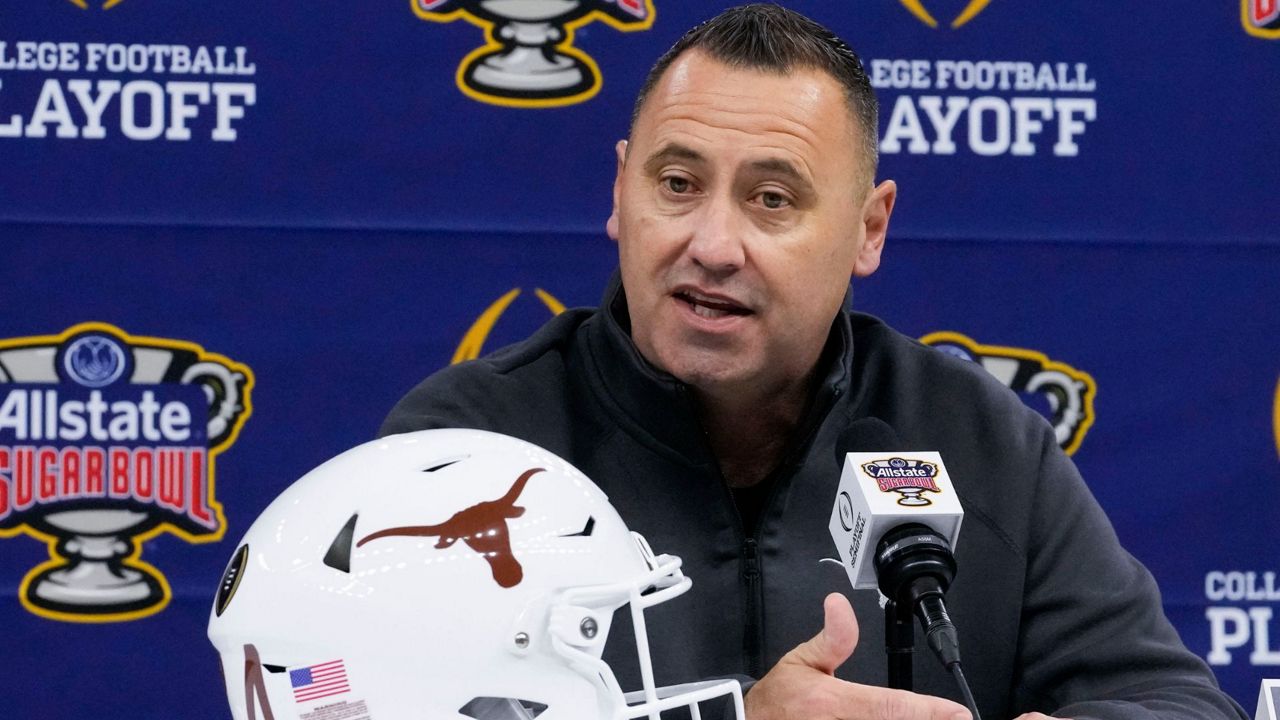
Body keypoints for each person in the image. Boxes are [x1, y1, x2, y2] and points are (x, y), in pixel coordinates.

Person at [381, 5, 1248, 720]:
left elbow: (1174, 701)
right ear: (620, 193)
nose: (712, 246)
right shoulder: (465, 448)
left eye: (772, 199)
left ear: (869, 228)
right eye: (677, 185)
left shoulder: (969, 434)